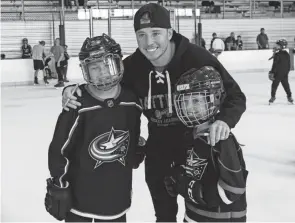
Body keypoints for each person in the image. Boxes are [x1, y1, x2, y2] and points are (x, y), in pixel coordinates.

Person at [62, 3, 246, 222]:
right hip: (158, 151)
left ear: (169, 32)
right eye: (142, 34)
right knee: (164, 217)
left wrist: (224, 121)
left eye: (155, 33)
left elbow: (235, 96)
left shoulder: (197, 58)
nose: (149, 42)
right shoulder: (133, 66)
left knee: (200, 213)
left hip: (195, 152)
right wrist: (72, 90)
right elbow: (104, 84)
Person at [44, 34, 145, 222]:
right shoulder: (77, 104)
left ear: (118, 64)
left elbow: (133, 134)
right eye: (95, 67)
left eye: (107, 65)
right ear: (85, 71)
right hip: (80, 201)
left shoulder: (132, 101)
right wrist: (60, 183)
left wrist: (135, 150)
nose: (103, 72)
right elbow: (59, 148)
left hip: (117, 198)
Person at [164, 66, 248, 222]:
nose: (189, 107)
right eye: (185, 101)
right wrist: (176, 177)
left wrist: (189, 188)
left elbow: (232, 191)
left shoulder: (221, 139)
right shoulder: (188, 135)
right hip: (192, 217)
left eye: (196, 100)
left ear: (214, 99)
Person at [268, 39, 293, 104]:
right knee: (286, 85)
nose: (276, 46)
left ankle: (273, 97)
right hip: (284, 73)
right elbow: (288, 64)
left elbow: (275, 65)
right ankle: (289, 97)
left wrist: (272, 72)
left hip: (277, 74)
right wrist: (286, 72)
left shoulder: (277, 55)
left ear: (282, 46)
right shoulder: (286, 54)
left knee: (274, 86)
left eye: (278, 45)